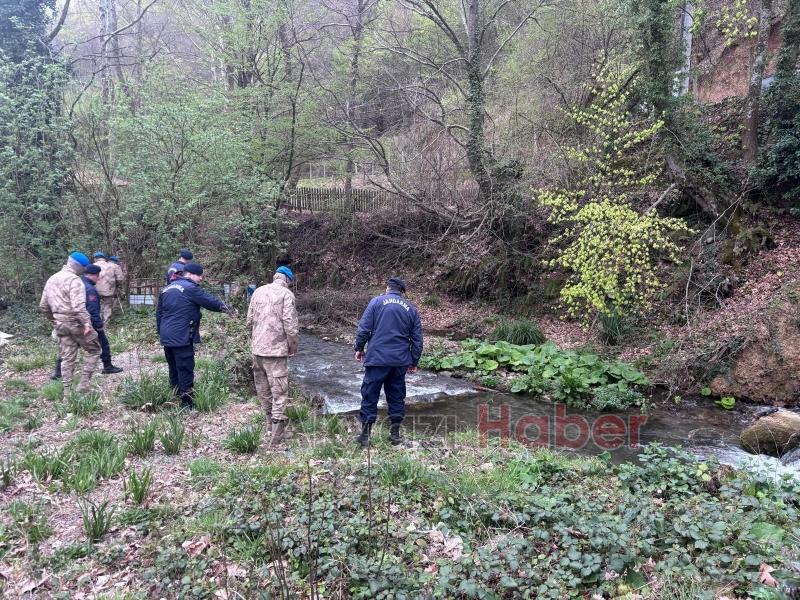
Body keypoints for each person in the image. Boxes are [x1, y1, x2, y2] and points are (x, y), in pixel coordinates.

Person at [353, 277, 423, 447]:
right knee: (397, 396)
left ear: (387, 288)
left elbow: (364, 328)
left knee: (370, 394)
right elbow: (417, 339)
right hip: (399, 360)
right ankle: (395, 435)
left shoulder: (376, 302)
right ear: (402, 292)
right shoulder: (411, 309)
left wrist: (359, 347)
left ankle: (365, 436)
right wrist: (414, 360)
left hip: (377, 358)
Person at [156, 262, 234, 408]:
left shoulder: (166, 288)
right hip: (181, 336)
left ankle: (174, 395)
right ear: (191, 274)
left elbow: (159, 313)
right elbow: (209, 302)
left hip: (167, 336)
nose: (201, 279)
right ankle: (186, 404)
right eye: (199, 275)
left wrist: (160, 332)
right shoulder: (190, 288)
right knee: (185, 368)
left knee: (173, 367)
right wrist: (227, 309)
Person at [247, 266, 299, 447]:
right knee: (280, 392)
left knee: (264, 391)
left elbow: (249, 320)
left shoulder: (258, 292)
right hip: (276, 353)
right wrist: (292, 346)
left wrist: (254, 341)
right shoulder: (286, 295)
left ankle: (269, 426)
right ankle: (277, 436)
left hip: (257, 350)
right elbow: (290, 324)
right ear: (287, 280)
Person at [39, 252, 102, 395]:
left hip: (61, 325)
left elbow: (43, 306)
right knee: (94, 350)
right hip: (76, 323)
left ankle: (67, 393)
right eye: (84, 268)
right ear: (80, 267)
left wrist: (54, 321)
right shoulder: (75, 280)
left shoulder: (52, 279)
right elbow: (78, 307)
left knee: (67, 358)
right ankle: (84, 385)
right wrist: (87, 324)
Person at [52, 265, 123, 379]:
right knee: (103, 343)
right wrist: (98, 325)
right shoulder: (89, 289)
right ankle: (107, 366)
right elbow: (92, 309)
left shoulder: (78, 284)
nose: (98, 279)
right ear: (92, 275)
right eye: (97, 276)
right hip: (88, 323)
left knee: (69, 347)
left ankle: (58, 372)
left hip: (72, 322)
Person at [93, 252, 125, 327]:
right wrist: (117, 286)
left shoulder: (92, 265)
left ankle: (98, 323)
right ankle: (105, 325)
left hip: (95, 291)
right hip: (108, 291)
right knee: (107, 306)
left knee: (98, 305)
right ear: (104, 258)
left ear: (95, 258)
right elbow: (120, 279)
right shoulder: (114, 266)